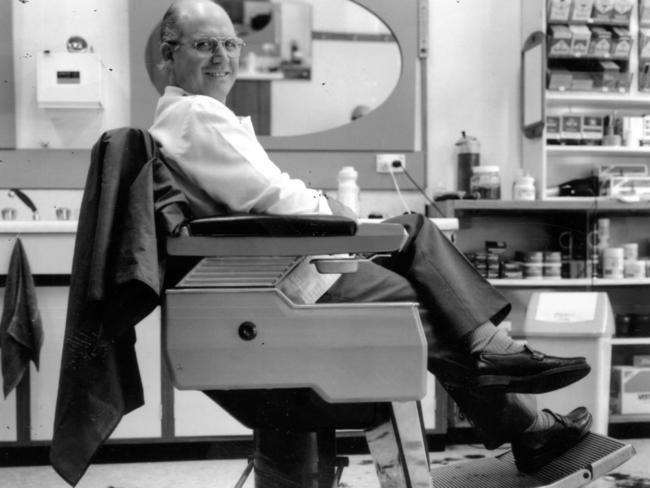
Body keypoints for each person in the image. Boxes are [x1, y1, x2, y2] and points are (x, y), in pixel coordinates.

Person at [149, 0, 592, 473]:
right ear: (168, 55)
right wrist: (338, 215)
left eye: (230, 43)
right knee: (426, 294)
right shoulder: (196, 114)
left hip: (274, 273)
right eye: (204, 45)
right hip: (278, 281)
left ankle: (498, 364)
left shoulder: (192, 118)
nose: (222, 56)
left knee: (413, 235)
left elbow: (262, 195)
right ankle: (511, 392)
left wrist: (341, 219)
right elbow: (275, 197)